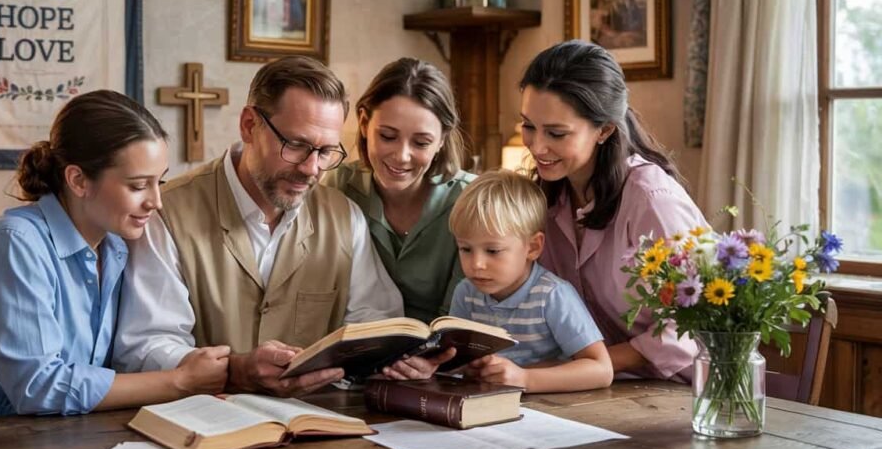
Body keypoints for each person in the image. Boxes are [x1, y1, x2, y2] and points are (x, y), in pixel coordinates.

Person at [0, 91, 229, 420]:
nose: (156, 201)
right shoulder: (13, 245)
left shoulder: (115, 247)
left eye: (160, 181)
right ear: (78, 180)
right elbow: (39, 387)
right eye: (139, 185)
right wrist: (179, 381)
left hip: (58, 436)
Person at [113, 56, 403, 396]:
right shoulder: (166, 214)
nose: (312, 169)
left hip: (317, 424)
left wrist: (394, 357)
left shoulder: (344, 217)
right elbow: (145, 347)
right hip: (203, 426)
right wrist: (232, 371)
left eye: (325, 152)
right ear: (249, 125)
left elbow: (377, 321)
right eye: (295, 145)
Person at [520, 40, 706, 381]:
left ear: (604, 129)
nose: (537, 146)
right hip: (602, 388)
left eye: (556, 133)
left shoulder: (652, 199)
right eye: (529, 126)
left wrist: (590, 364)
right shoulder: (548, 198)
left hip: (685, 393)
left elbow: (691, 326)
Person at [384, 170, 613, 393]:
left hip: (552, 410)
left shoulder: (552, 295)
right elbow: (458, 360)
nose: (477, 264)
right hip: (486, 407)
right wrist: (441, 366)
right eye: (465, 249)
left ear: (532, 247)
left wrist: (525, 379)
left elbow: (601, 370)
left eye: (493, 251)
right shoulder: (466, 292)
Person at [322, 58, 474, 324]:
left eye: (421, 142)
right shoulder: (337, 187)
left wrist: (425, 360)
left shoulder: (471, 201)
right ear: (364, 122)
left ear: (442, 140)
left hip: (443, 355)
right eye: (388, 137)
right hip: (357, 350)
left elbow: (461, 315)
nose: (402, 156)